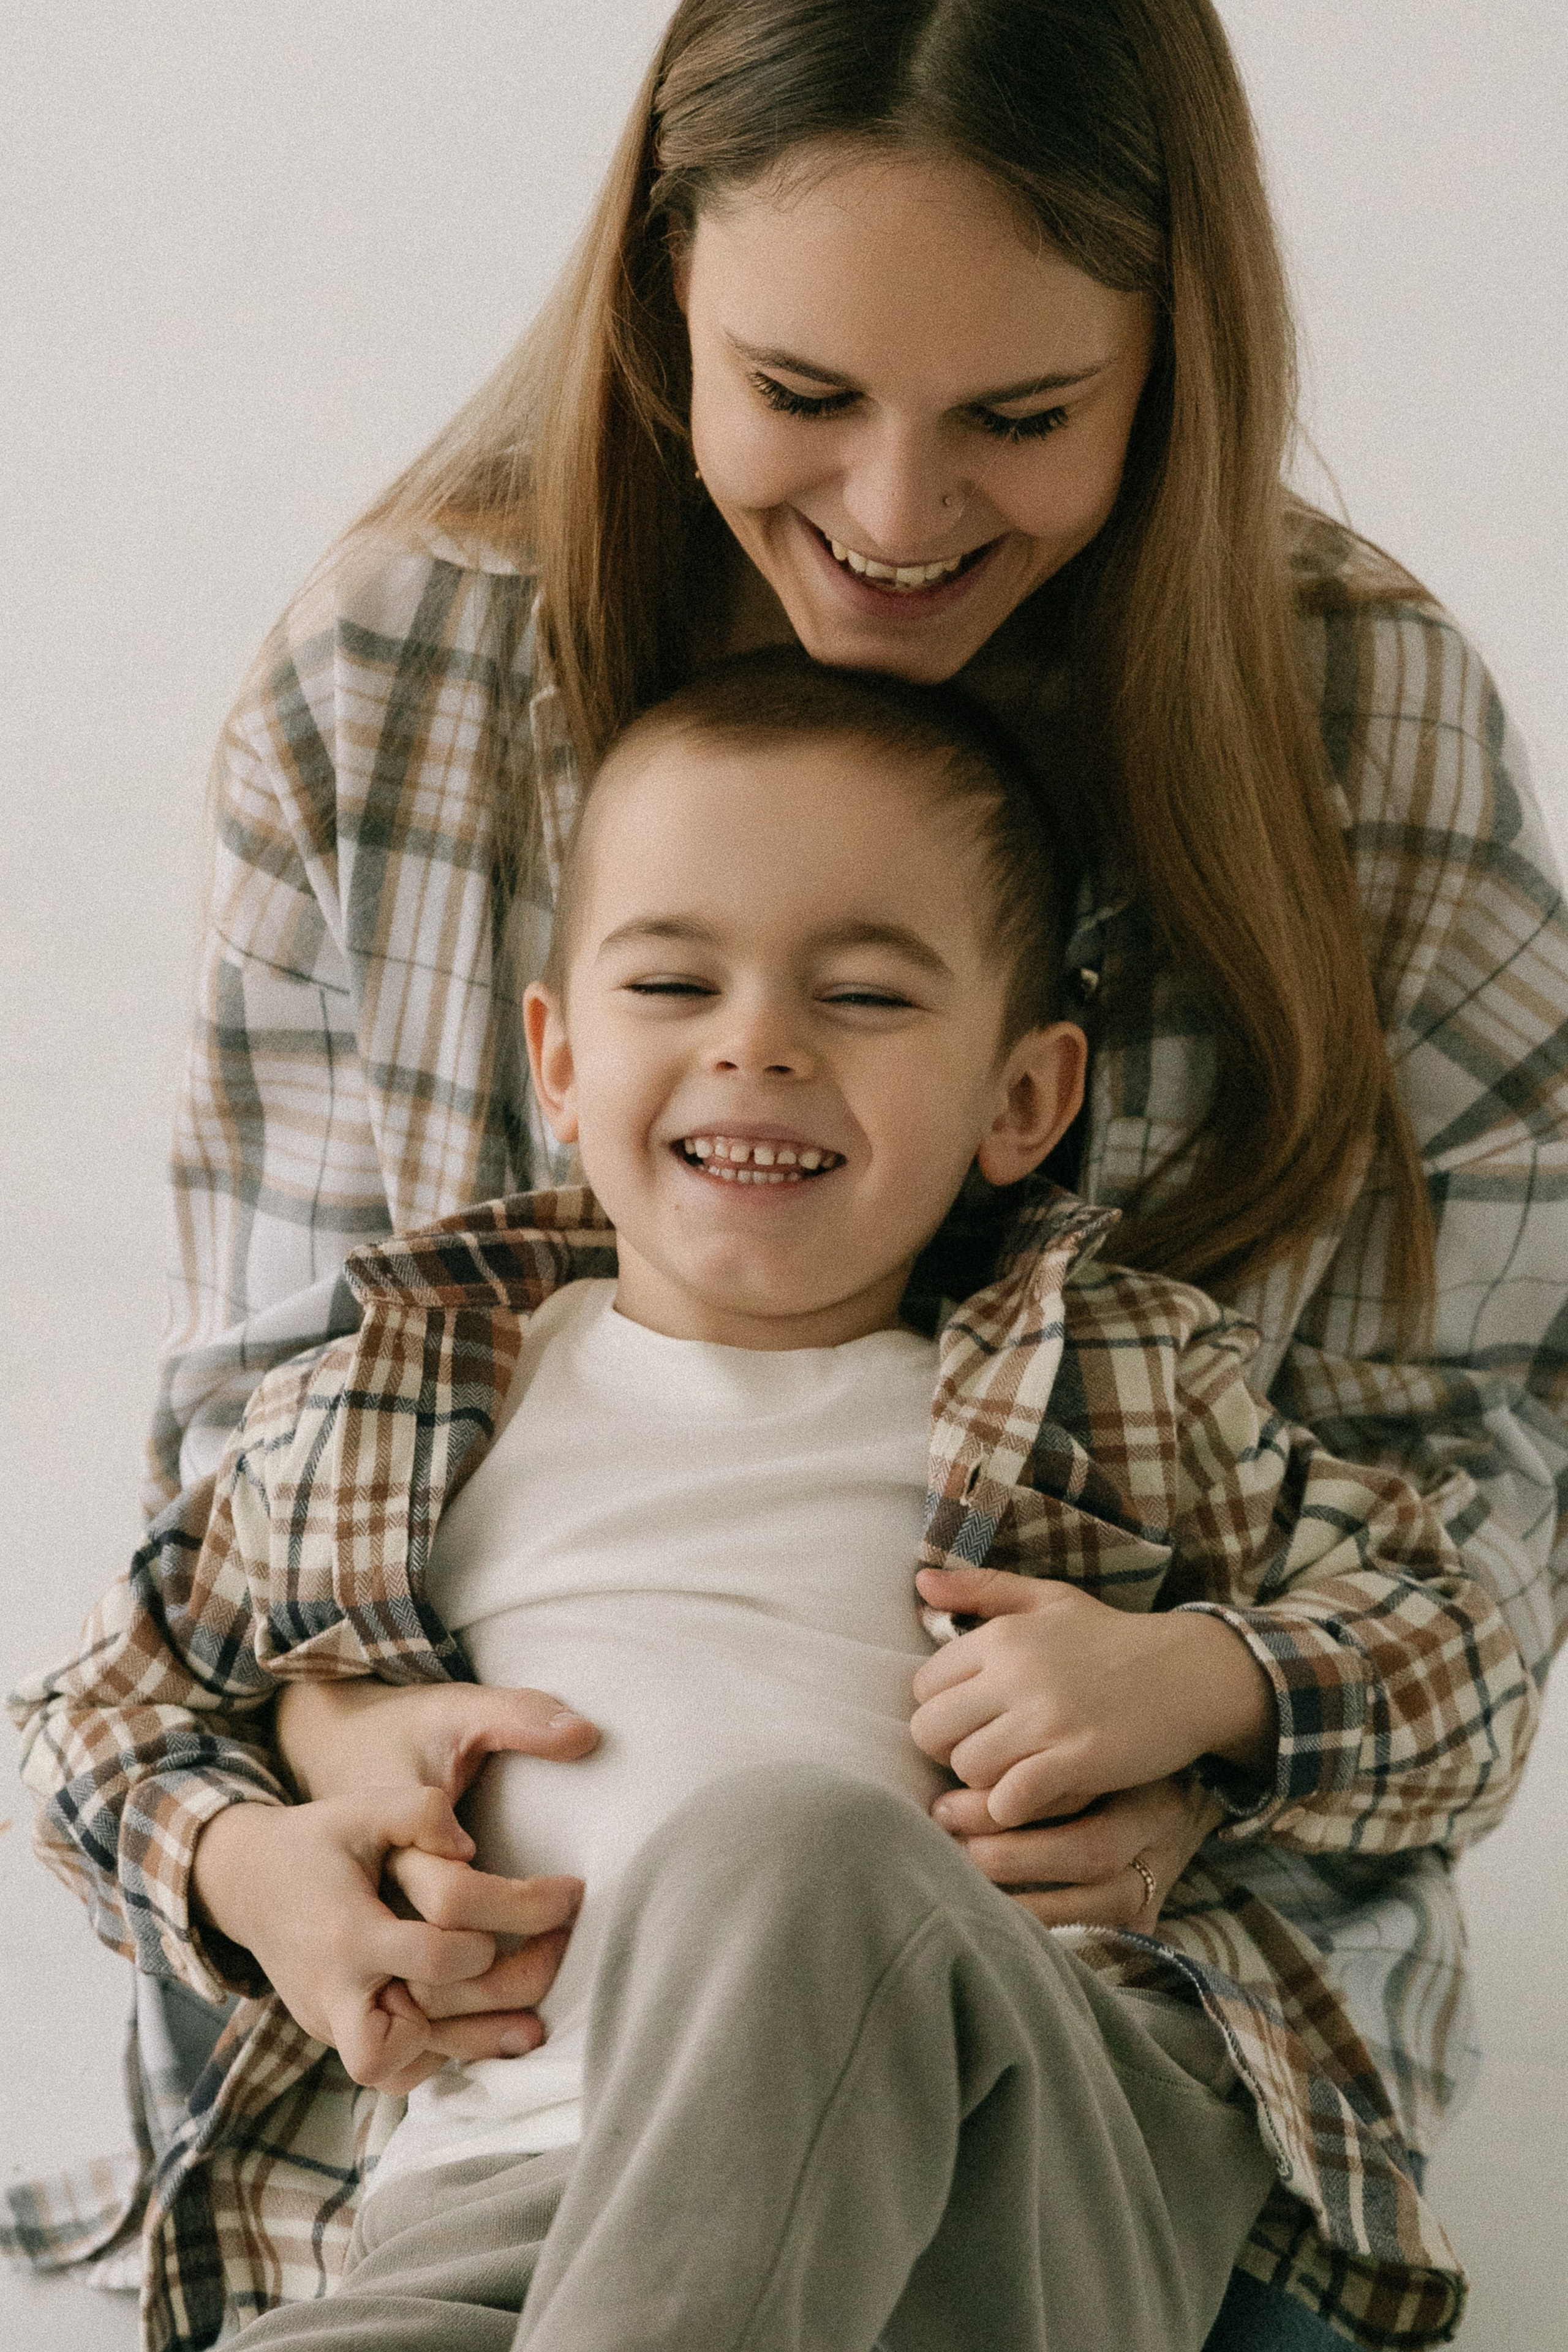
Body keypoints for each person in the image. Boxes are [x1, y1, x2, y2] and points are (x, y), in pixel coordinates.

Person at [8, 0, 1567, 2346]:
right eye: (805, 397)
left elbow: (1474, 1523)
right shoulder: (397, 714)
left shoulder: (1124, 1347)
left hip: (1074, 2095)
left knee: (798, 1867)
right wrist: (284, 1816)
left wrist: (1210, 1724)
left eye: (1023, 418)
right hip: (482, 2156)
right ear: (661, 309)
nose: (900, 514)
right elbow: (191, 1570)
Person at [29, 651, 1534, 2352]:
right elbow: (94, 1723)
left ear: (1022, 1099)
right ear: (562, 1060)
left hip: (1006, 2164)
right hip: (510, 2194)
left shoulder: (1116, 1384)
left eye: (868, 999)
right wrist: (249, 1867)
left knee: (791, 1849)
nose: (760, 1046)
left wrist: (1201, 1676)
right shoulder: (394, 1409)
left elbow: (1465, 1655)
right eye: (674, 982)